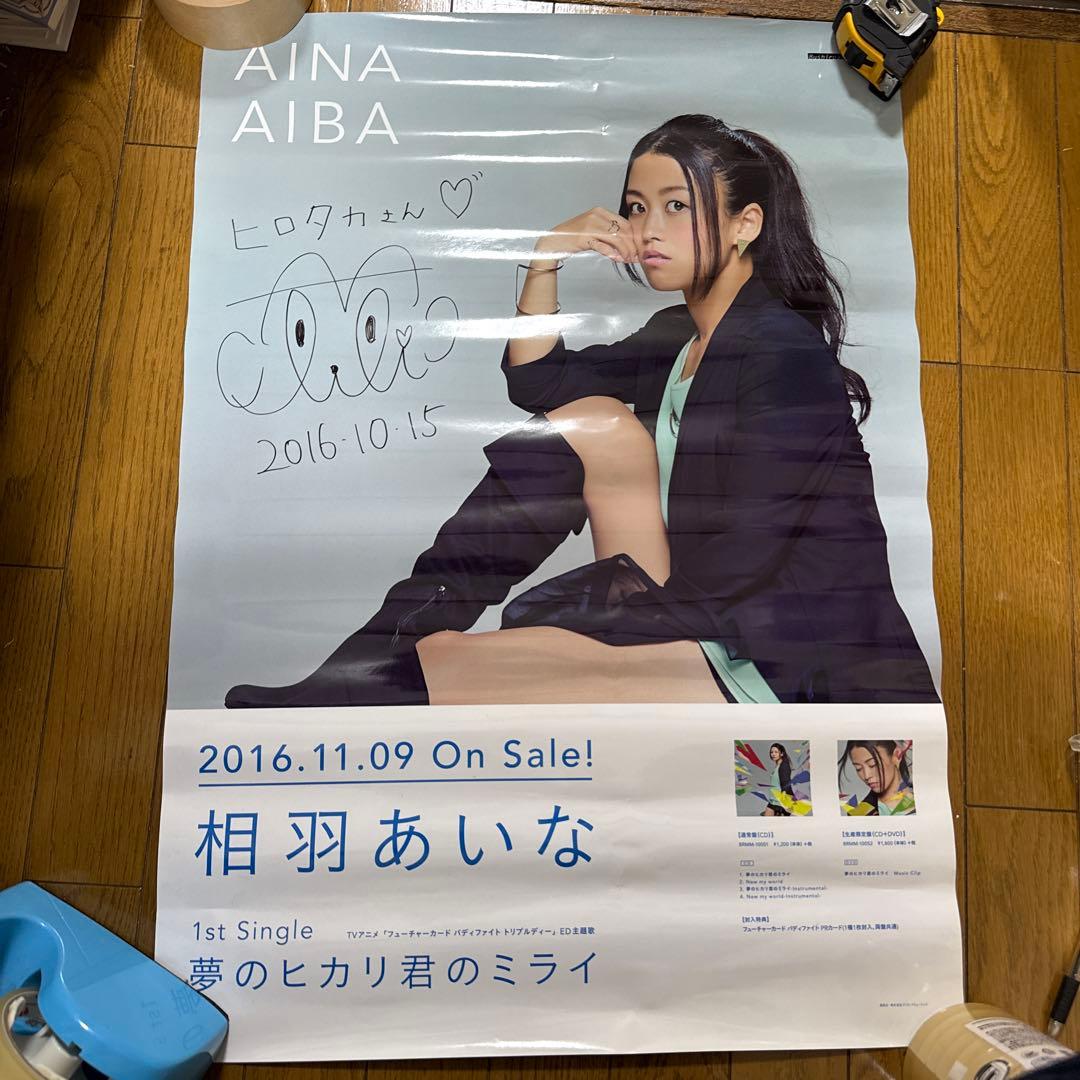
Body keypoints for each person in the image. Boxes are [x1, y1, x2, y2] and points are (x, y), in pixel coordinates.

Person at [225, 113, 938, 709]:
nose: (648, 228)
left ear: (744, 224)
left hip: (784, 664)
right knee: (585, 425)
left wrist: (584, 626)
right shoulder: (679, 336)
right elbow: (540, 381)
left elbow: (743, 561)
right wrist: (546, 258)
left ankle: (375, 681)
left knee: (469, 666)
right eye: (637, 207)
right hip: (704, 608)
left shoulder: (780, 351)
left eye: (677, 206)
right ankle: (367, 666)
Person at [838, 740, 915, 816]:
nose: (866, 776)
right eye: (858, 768)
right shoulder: (859, 813)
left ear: (897, 755)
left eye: (873, 764)